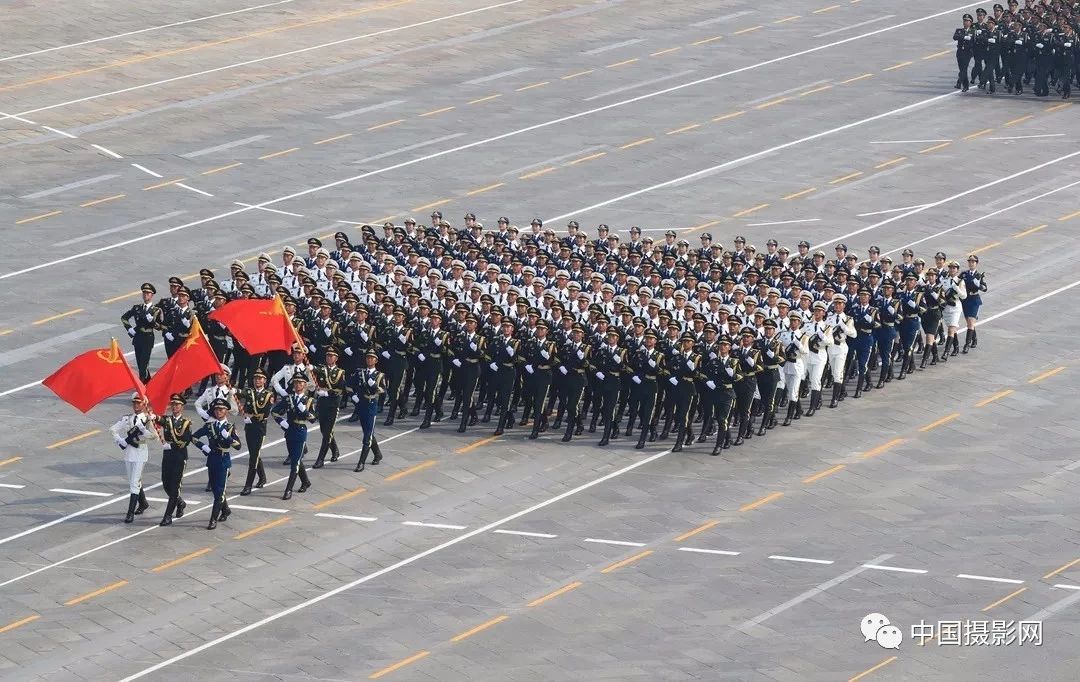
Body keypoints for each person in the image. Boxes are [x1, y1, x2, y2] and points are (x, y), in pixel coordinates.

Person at [192, 398, 242, 530]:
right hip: (212, 458)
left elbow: (238, 446)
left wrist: (229, 437)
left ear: (226, 411)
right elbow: (194, 437)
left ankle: (212, 519)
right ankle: (225, 510)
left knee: (219, 492)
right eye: (216, 409)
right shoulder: (210, 426)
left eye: (221, 409)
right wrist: (203, 447)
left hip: (223, 460)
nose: (218, 411)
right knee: (215, 489)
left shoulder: (230, 427)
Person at [110, 393, 159, 523]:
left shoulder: (147, 419)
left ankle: (130, 513)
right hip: (128, 452)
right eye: (134, 403)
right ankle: (143, 503)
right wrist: (121, 441)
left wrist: (144, 430)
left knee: (134, 483)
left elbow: (155, 436)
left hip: (140, 452)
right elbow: (113, 429)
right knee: (134, 480)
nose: (136, 405)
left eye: (139, 403)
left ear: (144, 404)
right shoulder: (127, 418)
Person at [273, 372, 316, 500]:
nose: (298, 385)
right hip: (289, 430)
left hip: (300, 431)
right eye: (296, 382)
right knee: (295, 458)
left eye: (301, 382)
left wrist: (306, 412)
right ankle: (306, 481)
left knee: (294, 462)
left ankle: (288, 489)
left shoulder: (308, 400)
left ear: (305, 385)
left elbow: (313, 419)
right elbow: (274, 412)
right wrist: (282, 422)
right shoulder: (288, 398)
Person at [157, 393, 192, 526]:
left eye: (177, 405)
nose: (174, 407)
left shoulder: (186, 423)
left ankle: (167, 516)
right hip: (168, 456)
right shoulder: (167, 420)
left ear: (182, 407)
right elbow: (158, 419)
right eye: (173, 404)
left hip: (179, 456)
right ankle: (180, 503)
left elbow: (186, 441)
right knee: (166, 483)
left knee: (175, 487)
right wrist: (151, 415)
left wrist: (171, 445)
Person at [351, 350, 387, 472]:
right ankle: (378, 454)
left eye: (372, 358)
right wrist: (353, 396)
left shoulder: (380, 375)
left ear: (376, 360)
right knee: (367, 431)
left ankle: (361, 462)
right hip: (361, 404)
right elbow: (349, 385)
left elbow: (383, 390)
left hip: (371, 404)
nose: (369, 360)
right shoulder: (360, 372)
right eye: (368, 358)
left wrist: (375, 386)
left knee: (367, 436)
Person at [239, 368, 273, 495]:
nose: (257, 380)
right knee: (254, 453)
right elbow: (239, 393)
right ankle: (262, 477)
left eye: (260, 378)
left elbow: (265, 412)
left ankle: (248, 485)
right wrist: (231, 391)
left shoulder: (268, 395)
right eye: (255, 378)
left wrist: (250, 415)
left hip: (259, 428)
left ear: (264, 380)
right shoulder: (249, 392)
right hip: (249, 428)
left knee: (253, 457)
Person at [312, 347, 346, 468]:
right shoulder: (322, 369)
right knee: (324, 430)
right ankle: (335, 450)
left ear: (336, 358)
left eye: (331, 356)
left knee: (327, 433)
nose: (329, 358)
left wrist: (326, 393)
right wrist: (309, 368)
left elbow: (340, 389)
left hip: (332, 404)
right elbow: (314, 371)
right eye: (327, 356)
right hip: (322, 404)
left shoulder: (340, 372)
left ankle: (320, 459)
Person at [120, 283, 161, 383]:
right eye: (144, 293)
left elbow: (159, 327)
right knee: (140, 365)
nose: (145, 295)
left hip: (148, 338)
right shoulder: (137, 308)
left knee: (143, 365)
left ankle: (142, 387)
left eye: (148, 293)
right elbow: (124, 318)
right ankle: (148, 383)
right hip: (138, 338)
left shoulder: (156, 310)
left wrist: (152, 321)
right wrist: (129, 329)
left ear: (152, 295)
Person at [961, 254, 988, 352]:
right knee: (969, 322)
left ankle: (966, 344)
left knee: (971, 322)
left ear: (976, 263)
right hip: (965, 300)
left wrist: (979, 284)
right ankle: (974, 339)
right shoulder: (964, 274)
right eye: (970, 261)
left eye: (973, 262)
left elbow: (985, 288)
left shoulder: (978, 275)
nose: (971, 263)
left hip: (974, 300)